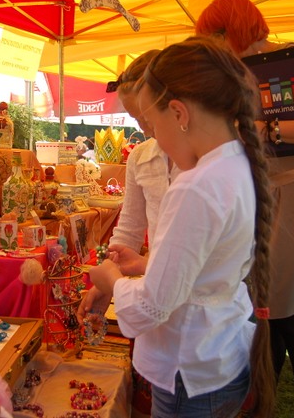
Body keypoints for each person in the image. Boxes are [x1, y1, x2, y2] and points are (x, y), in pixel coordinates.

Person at [79, 36, 276, 417]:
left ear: (179, 113)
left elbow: (152, 307)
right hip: (220, 351)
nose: (152, 136)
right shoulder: (237, 162)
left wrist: (111, 280)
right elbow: (206, 267)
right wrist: (144, 265)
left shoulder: (195, 185)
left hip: (190, 364)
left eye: (152, 123)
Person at [196, 0, 294, 417]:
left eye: (216, 35)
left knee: (290, 316)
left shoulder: (292, 62)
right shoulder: (232, 73)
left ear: (233, 28)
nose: (213, 45)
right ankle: (263, 404)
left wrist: (269, 129)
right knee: (272, 308)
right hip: (265, 192)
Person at [105, 49, 180, 415]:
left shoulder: (200, 162)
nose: (144, 127)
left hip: (184, 292)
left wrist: (129, 273)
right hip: (159, 286)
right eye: (135, 118)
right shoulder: (141, 156)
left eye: (146, 116)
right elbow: (130, 226)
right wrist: (111, 270)